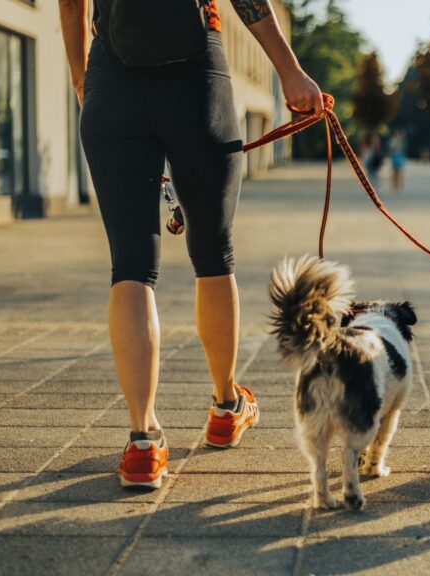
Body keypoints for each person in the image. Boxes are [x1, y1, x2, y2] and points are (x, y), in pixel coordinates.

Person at [59, 0, 323, 489]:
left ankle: (143, 441)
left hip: (111, 79)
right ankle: (226, 406)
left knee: (132, 265)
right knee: (213, 254)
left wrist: (83, 80)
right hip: (197, 77)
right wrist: (291, 72)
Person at [389, 129, 407, 194]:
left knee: (399, 172)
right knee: (395, 173)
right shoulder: (393, 140)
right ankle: (394, 186)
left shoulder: (401, 140)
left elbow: (403, 148)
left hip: (400, 156)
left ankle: (399, 186)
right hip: (395, 157)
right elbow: (391, 149)